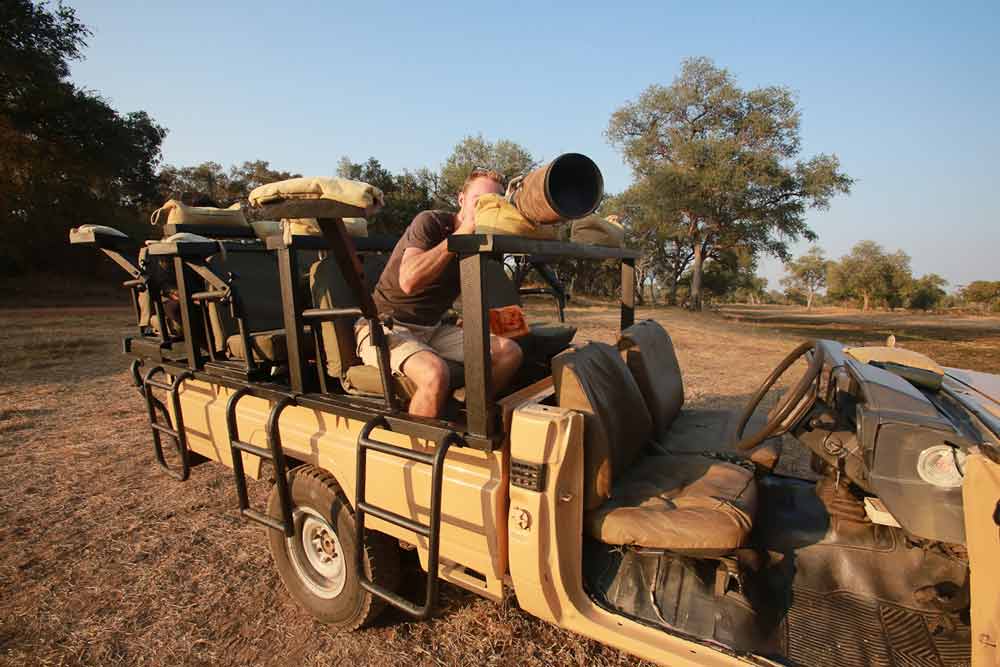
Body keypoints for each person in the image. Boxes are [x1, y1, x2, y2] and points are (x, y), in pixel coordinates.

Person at [356, 169, 524, 418]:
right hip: (383, 326)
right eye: (479, 200)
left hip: (433, 329)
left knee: (510, 352)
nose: (485, 208)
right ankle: (416, 442)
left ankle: (467, 415)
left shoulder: (484, 241)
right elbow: (409, 281)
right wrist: (461, 235)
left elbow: (486, 295)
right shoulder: (431, 222)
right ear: (461, 199)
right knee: (435, 374)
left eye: (494, 203)